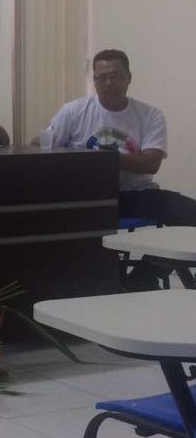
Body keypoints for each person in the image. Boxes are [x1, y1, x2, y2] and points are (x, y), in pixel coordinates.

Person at [47, 48, 196, 290]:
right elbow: (44, 147)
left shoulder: (150, 115)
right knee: (70, 225)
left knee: (189, 212)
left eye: (115, 76)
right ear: (94, 80)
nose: (108, 83)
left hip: (137, 194)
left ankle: (148, 270)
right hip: (88, 197)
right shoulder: (73, 112)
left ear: (129, 78)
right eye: (101, 77)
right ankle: (109, 281)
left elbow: (151, 163)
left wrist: (100, 159)